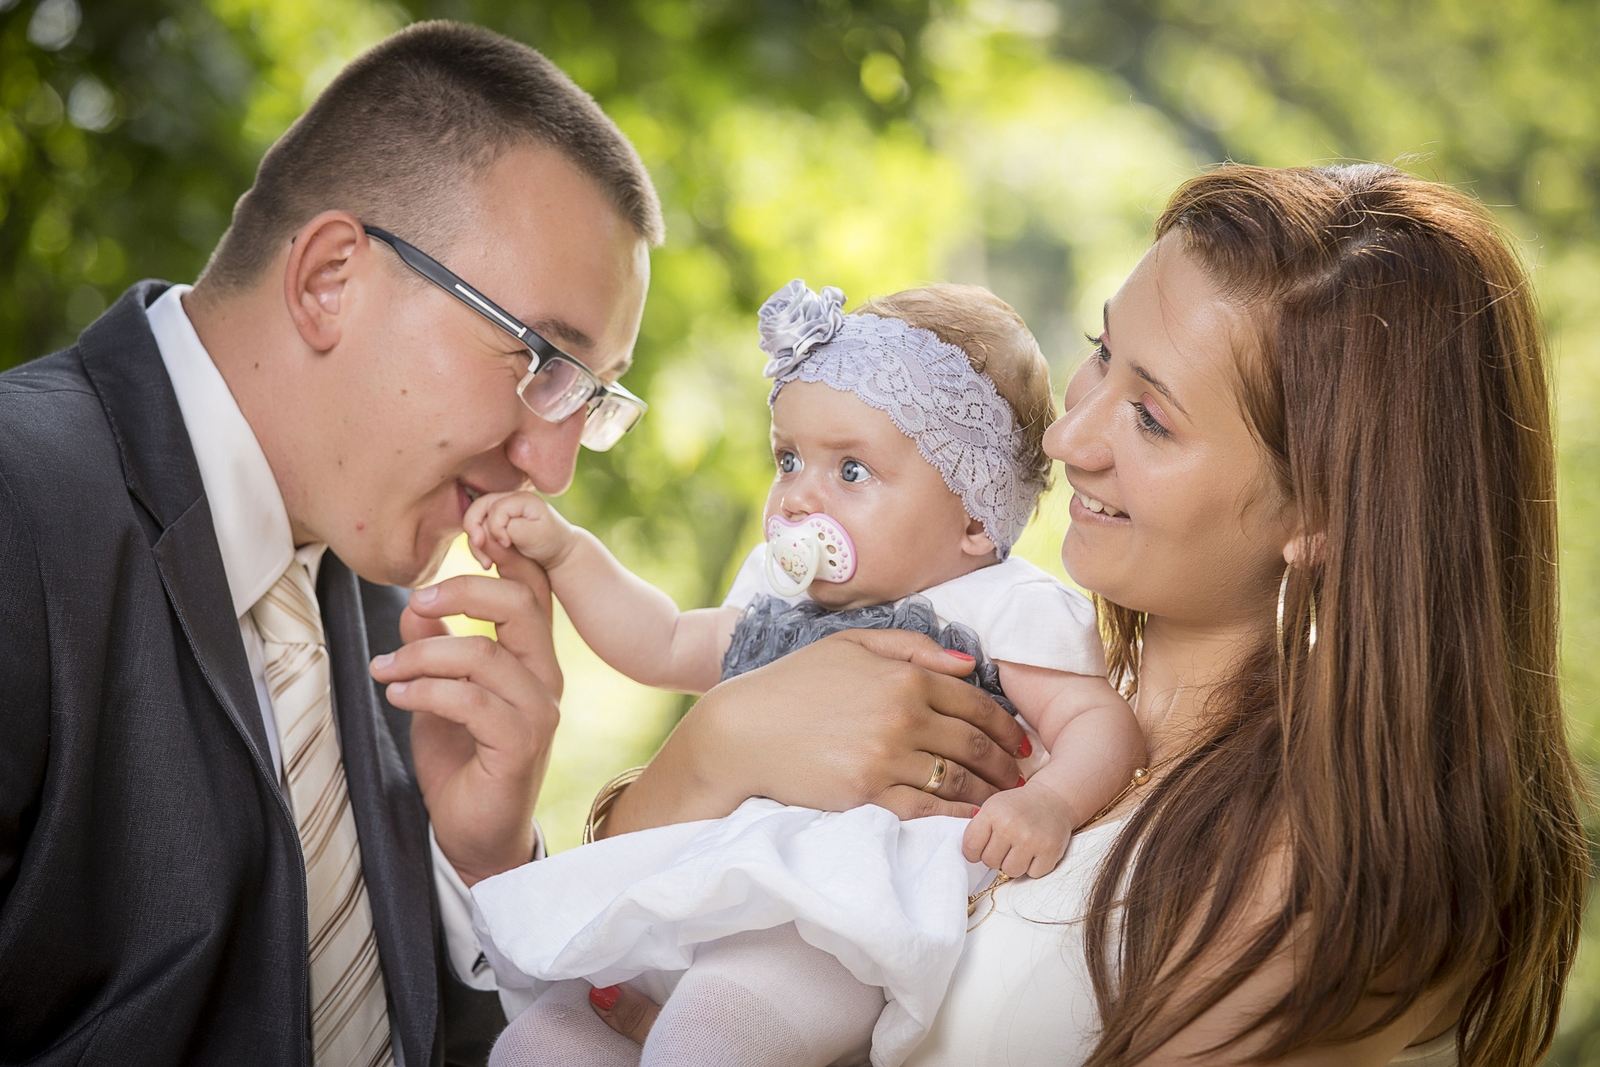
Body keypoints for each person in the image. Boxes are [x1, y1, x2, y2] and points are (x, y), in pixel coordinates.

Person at [565, 165, 1589, 1066]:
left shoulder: (1316, 861)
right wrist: (714, 748)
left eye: (1150, 415)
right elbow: (630, 950)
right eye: (1102, 352)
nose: (1065, 435)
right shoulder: (1011, 696)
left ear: (1319, 508)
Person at [0, 21, 667, 1067]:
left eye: (589, 398)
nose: (554, 463)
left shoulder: (399, 632)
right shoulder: (17, 501)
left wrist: (484, 862)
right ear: (326, 279)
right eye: (541, 360)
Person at [465, 281, 1144, 1066]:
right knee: (546, 1034)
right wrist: (568, 554)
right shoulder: (775, 593)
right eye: (789, 458)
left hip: (833, 917)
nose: (798, 496)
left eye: (851, 470)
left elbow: (1099, 722)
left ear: (971, 518)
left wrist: (1050, 802)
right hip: (705, 888)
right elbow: (662, 639)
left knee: (711, 1032)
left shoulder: (996, 606)